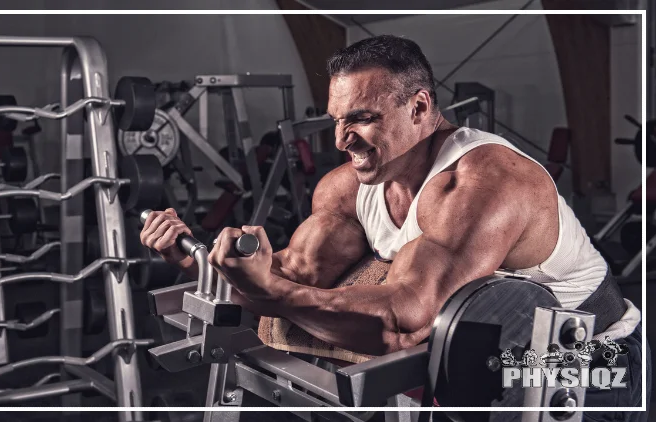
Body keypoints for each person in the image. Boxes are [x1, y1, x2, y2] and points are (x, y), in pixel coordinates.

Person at [140, 35, 649, 419]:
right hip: (482, 349)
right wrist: (196, 260)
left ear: (420, 107)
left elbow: (405, 323)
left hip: (587, 355)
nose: (343, 140)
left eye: (361, 119)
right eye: (336, 119)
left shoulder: (487, 181)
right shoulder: (349, 187)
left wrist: (268, 293)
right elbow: (295, 270)